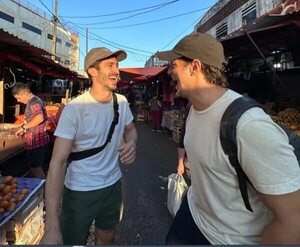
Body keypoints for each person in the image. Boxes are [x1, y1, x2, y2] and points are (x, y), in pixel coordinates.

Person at [157, 33, 300, 244]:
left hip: (225, 239)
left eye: (174, 65)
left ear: (195, 67)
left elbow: (292, 220)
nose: (169, 71)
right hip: (191, 216)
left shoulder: (249, 126)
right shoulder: (192, 108)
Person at [40, 47, 138, 245]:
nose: (116, 71)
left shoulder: (122, 102)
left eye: (117, 65)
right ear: (93, 71)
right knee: (73, 241)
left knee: (107, 236)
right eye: (110, 65)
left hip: (113, 186)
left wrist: (132, 143)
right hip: (79, 191)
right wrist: (51, 226)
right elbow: (57, 163)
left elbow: (131, 130)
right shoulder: (74, 109)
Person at [12, 83, 49, 179]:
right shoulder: (35, 100)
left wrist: (24, 128)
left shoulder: (34, 102)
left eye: (19, 97)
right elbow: (33, 117)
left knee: (36, 169)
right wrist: (24, 125)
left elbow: (39, 118)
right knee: (36, 168)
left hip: (37, 142)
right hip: (37, 141)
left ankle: (44, 190)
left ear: (24, 94)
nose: (18, 100)